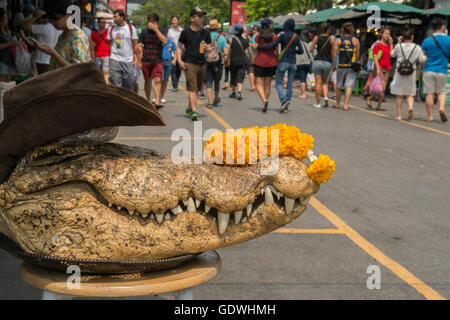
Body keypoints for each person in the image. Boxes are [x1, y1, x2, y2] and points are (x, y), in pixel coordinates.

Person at [255, 18, 303, 113]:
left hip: (283, 61)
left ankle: (283, 100)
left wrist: (259, 47)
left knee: (278, 83)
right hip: (293, 63)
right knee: (289, 84)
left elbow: (270, 46)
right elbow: (301, 51)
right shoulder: (296, 36)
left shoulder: (282, 36)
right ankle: (286, 104)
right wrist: (294, 51)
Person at [177, 7, 212, 121]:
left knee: (197, 87)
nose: (201, 19)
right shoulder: (185, 32)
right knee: (192, 88)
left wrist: (208, 48)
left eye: (202, 16)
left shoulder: (205, 32)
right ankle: (195, 111)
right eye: (199, 16)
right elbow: (179, 47)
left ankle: (189, 107)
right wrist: (179, 60)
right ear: (192, 18)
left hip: (202, 63)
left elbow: (210, 48)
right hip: (189, 63)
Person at [36, 0, 91, 71]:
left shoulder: (78, 38)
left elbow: (79, 71)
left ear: (69, 14)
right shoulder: (64, 35)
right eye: (49, 18)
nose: (52, 22)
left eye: (55, 18)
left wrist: (54, 54)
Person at [390, 27, 427, 121]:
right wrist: (426, 55)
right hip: (411, 72)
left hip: (400, 72)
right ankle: (410, 107)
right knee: (410, 93)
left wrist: (398, 42)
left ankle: (399, 115)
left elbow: (392, 54)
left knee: (399, 94)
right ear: (412, 36)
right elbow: (422, 60)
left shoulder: (399, 46)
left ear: (403, 37)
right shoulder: (417, 47)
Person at [421, 18, 449, 123]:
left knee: (429, 94)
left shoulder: (427, 40)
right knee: (441, 92)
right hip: (442, 70)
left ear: (432, 28)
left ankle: (430, 116)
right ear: (442, 27)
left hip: (429, 69)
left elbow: (422, 55)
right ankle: (441, 107)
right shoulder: (448, 40)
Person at [138, 13, 167, 109]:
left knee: (158, 80)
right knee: (147, 81)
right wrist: (138, 60)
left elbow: (165, 41)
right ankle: (148, 100)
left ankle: (157, 101)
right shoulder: (144, 31)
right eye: (149, 21)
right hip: (146, 60)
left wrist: (156, 30)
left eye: (152, 22)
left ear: (156, 22)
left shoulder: (162, 30)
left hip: (158, 60)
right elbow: (139, 45)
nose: (149, 24)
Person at [108, 10, 140, 91]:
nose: (114, 19)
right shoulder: (111, 29)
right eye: (113, 17)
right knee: (115, 85)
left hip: (128, 60)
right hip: (115, 59)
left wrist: (139, 61)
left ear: (122, 17)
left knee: (129, 84)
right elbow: (109, 44)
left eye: (116, 17)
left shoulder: (131, 28)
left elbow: (136, 46)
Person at [22, 10, 61, 74]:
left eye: (39, 20)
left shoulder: (45, 27)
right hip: (53, 60)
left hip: (42, 60)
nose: (39, 22)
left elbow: (26, 26)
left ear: (44, 18)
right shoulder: (59, 28)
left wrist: (35, 17)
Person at [333, 22, 360, 111]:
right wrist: (356, 63)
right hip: (351, 67)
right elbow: (357, 54)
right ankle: (346, 105)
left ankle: (337, 104)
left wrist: (334, 65)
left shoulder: (338, 40)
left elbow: (334, 53)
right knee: (349, 86)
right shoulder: (355, 40)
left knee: (339, 85)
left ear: (343, 30)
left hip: (341, 66)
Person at [253, 18, 278, 113]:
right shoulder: (274, 37)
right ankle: (265, 102)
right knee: (267, 85)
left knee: (259, 84)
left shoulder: (258, 36)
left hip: (260, 62)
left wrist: (252, 61)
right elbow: (276, 50)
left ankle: (264, 100)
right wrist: (278, 60)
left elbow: (255, 50)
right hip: (271, 62)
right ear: (268, 25)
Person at [310, 22, 337, 109]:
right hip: (327, 63)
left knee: (318, 82)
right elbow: (333, 53)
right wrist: (334, 64)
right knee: (324, 82)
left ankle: (318, 103)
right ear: (328, 29)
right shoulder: (332, 39)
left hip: (317, 61)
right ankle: (325, 98)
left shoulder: (316, 38)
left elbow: (311, 49)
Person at [366, 27, 393, 111]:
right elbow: (374, 57)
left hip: (387, 68)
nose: (387, 36)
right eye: (386, 34)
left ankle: (376, 103)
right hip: (379, 68)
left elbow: (391, 54)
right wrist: (377, 68)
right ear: (381, 34)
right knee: (382, 88)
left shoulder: (389, 45)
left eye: (389, 34)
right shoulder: (378, 45)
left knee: (382, 89)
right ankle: (371, 99)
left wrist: (391, 44)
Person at [205, 19, 227, 108]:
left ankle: (209, 102)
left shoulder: (205, 37)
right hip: (218, 63)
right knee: (217, 82)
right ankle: (215, 99)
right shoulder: (221, 38)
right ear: (218, 28)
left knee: (208, 82)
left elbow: (202, 50)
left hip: (207, 63)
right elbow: (226, 52)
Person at [228, 24, 250, 101]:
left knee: (233, 76)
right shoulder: (246, 40)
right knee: (240, 77)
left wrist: (227, 59)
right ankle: (239, 92)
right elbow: (249, 52)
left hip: (233, 61)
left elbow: (228, 51)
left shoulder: (231, 40)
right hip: (242, 61)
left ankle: (233, 92)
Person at [0, 9, 20, 82]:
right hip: (2, 61)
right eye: (5, 18)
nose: (6, 20)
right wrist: (11, 43)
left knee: (8, 85)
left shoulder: (7, 30)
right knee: (2, 85)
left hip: (10, 61)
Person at [90, 17, 110, 83]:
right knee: (98, 74)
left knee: (105, 73)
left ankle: (107, 88)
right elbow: (91, 48)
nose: (104, 24)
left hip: (107, 56)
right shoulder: (93, 34)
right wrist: (92, 59)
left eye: (105, 22)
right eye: (102, 22)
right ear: (98, 23)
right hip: (97, 56)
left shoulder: (109, 32)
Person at [296, 29, 313, 99]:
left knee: (302, 78)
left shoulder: (299, 42)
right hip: (309, 62)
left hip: (301, 62)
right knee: (309, 76)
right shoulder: (311, 42)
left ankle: (303, 93)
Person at [167, 16, 183, 91]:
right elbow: (168, 42)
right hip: (172, 53)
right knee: (173, 69)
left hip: (181, 52)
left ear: (178, 21)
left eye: (175, 20)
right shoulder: (170, 31)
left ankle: (177, 81)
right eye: (172, 20)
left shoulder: (182, 31)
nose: (174, 22)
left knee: (179, 69)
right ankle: (175, 84)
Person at [159, 38, 177, 104]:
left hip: (168, 63)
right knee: (159, 80)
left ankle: (162, 96)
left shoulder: (171, 43)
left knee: (165, 81)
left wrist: (174, 60)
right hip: (159, 62)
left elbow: (175, 52)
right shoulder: (158, 41)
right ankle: (157, 96)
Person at [248, 26, 259, 92]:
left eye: (252, 30)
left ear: (255, 30)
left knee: (251, 71)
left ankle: (253, 85)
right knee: (257, 71)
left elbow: (255, 46)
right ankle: (257, 85)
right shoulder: (261, 35)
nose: (251, 31)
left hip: (254, 55)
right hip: (260, 56)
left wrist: (249, 43)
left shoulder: (255, 36)